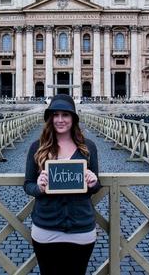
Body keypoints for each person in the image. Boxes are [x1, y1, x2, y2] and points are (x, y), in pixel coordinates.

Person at [24, 94, 101, 275]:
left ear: (73, 118)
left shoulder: (89, 147)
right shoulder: (37, 147)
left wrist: (93, 182)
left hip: (81, 227)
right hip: (46, 226)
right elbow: (27, 184)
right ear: (50, 118)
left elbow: (97, 186)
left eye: (65, 115)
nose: (60, 120)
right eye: (55, 115)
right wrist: (39, 187)